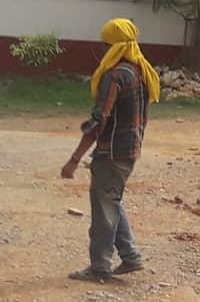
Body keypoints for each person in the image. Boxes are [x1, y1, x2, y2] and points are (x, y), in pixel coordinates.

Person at [60, 18, 161, 283]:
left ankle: (100, 267)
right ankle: (130, 256)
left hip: (112, 152)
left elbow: (99, 121)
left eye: (105, 45)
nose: (103, 50)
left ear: (113, 46)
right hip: (129, 151)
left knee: (104, 209)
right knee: (111, 201)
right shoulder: (141, 72)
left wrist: (74, 159)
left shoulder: (115, 75)